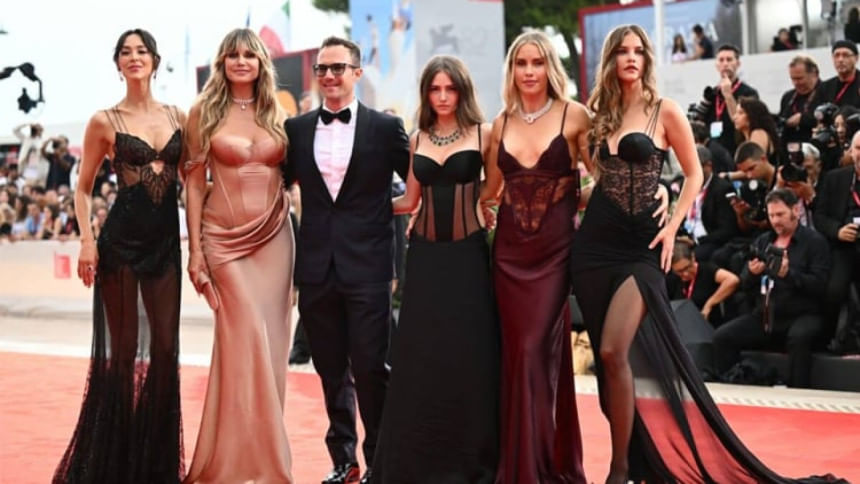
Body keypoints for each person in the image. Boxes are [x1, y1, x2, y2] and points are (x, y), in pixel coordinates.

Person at [569, 25, 837, 483]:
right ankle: (632, 461)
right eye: (622, 51)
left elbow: (693, 174)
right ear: (610, 60)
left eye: (638, 51)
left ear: (646, 59)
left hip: (642, 247)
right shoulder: (599, 115)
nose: (631, 58)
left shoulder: (664, 110)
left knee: (613, 351)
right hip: (594, 247)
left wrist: (672, 220)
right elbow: (598, 177)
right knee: (607, 359)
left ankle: (619, 470)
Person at [481, 31, 666, 484]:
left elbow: (609, 178)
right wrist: (441, 203)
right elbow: (490, 193)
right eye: (521, 63)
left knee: (533, 349)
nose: (529, 71)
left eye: (537, 63)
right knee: (518, 354)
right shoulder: (499, 124)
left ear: (550, 68)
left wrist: (655, 188)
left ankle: (538, 466)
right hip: (508, 256)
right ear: (511, 70)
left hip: (555, 254)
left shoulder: (575, 115)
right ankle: (528, 462)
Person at [53, 28, 185, 483]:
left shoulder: (179, 115)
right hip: (119, 246)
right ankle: (113, 464)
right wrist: (87, 241)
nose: (134, 57)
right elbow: (83, 188)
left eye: (141, 50)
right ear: (117, 64)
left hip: (166, 245)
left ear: (155, 60)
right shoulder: (103, 120)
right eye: (125, 52)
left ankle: (153, 462)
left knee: (166, 350)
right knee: (123, 353)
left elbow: (197, 175)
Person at [283, 36, 409, 484]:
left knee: (372, 368)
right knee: (330, 369)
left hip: (369, 267)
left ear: (357, 72)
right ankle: (344, 461)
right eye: (322, 69)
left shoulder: (385, 128)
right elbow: (272, 184)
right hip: (317, 268)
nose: (329, 76)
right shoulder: (296, 130)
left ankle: (380, 460)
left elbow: (419, 181)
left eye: (338, 68)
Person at [371, 55, 498, 483]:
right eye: (435, 89)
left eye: (450, 89)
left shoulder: (484, 134)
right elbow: (409, 201)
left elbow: (495, 187)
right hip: (425, 257)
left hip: (468, 257)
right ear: (426, 94)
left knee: (470, 354)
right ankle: (418, 459)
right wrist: (362, 207)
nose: (443, 97)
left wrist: (485, 206)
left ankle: (471, 458)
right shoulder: (418, 138)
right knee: (421, 356)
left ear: (462, 91)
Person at [183, 28, 294, 483]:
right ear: (222, 62)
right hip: (222, 239)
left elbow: (296, 177)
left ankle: (264, 462)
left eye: (250, 54)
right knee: (243, 336)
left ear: (262, 62)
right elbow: (193, 184)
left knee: (272, 348)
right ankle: (228, 463)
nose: (242, 61)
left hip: (275, 238)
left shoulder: (279, 111)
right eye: (233, 55)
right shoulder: (203, 112)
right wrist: (195, 251)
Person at [713, 189, 830, 388]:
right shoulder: (763, 240)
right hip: (766, 314)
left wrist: (788, 274)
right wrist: (752, 273)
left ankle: (797, 392)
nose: (775, 221)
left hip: (801, 314)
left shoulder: (815, 242)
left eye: (780, 214)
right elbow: (744, 284)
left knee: (799, 338)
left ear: (795, 210)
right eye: (771, 215)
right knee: (722, 337)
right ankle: (732, 384)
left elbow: (819, 285)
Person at [815, 130, 860, 349]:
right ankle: (827, 339)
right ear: (850, 151)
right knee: (833, 290)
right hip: (843, 246)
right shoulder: (835, 178)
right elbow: (819, 216)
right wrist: (838, 231)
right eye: (858, 148)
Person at [670, 237, 740, 326]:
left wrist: (710, 303)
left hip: (707, 323)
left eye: (688, 267)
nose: (685, 273)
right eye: (679, 271)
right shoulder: (673, 279)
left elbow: (733, 280)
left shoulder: (707, 270)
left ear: (693, 258)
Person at [703, 44, 759, 155]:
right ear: (717, 65)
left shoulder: (748, 93)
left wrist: (728, 95)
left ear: (738, 64)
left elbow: (741, 122)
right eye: (721, 60)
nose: (725, 64)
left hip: (736, 150)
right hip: (713, 150)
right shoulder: (713, 94)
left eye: (729, 60)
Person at [779, 55, 823, 148]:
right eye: (793, 79)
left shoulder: (827, 92)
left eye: (800, 78)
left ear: (814, 74)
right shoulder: (788, 97)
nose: (796, 83)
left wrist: (803, 119)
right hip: (790, 148)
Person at [733, 97, 781, 166]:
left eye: (741, 113)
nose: (735, 117)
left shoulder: (758, 133)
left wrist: (731, 173)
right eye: (736, 113)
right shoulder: (744, 138)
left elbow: (755, 166)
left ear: (752, 115)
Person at [821, 40, 860, 108]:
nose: (840, 60)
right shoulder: (826, 86)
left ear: (856, 58)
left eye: (846, 55)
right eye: (836, 55)